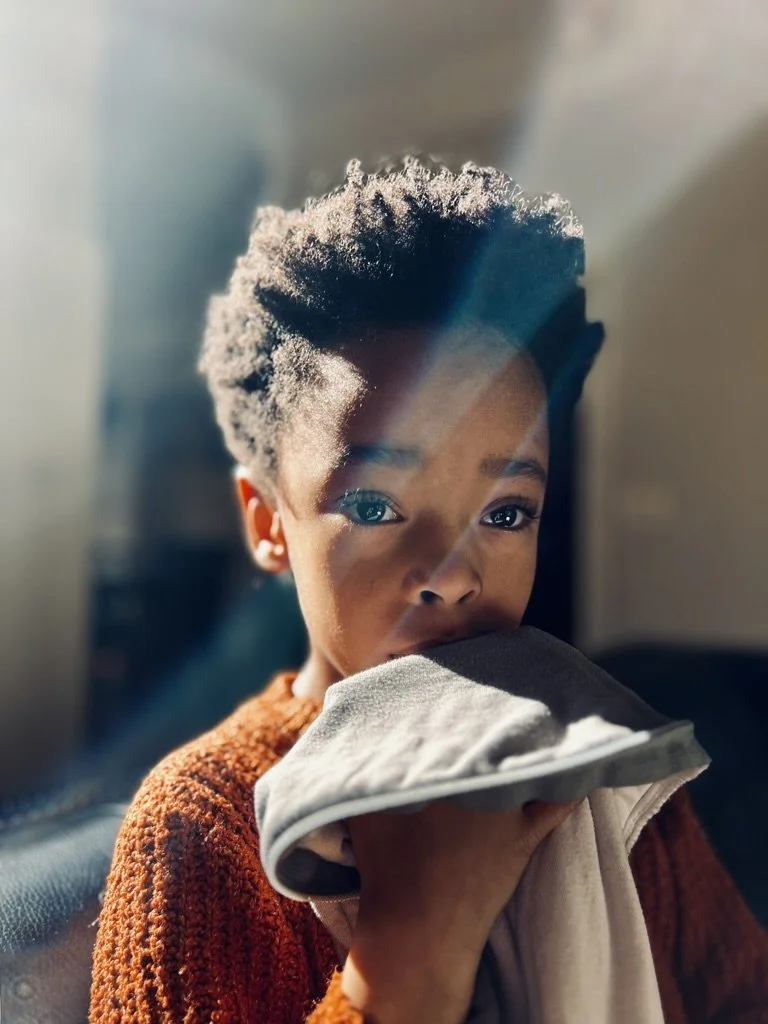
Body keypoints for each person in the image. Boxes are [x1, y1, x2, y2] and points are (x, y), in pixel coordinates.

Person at [89, 157, 768, 1023]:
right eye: (374, 503)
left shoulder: (601, 764)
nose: (453, 573)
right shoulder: (201, 825)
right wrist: (415, 941)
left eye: (508, 512)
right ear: (267, 521)